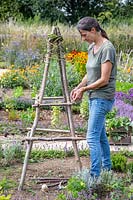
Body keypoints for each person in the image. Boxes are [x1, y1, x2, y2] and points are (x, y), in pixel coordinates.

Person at [70, 17, 117, 178]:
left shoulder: (107, 48)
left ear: (93, 30)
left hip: (103, 98)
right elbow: (90, 73)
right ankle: (107, 168)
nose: (83, 39)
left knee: (91, 138)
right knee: (100, 136)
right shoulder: (92, 47)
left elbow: (104, 79)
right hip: (94, 97)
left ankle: (95, 176)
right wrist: (78, 87)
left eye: (84, 35)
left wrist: (84, 89)